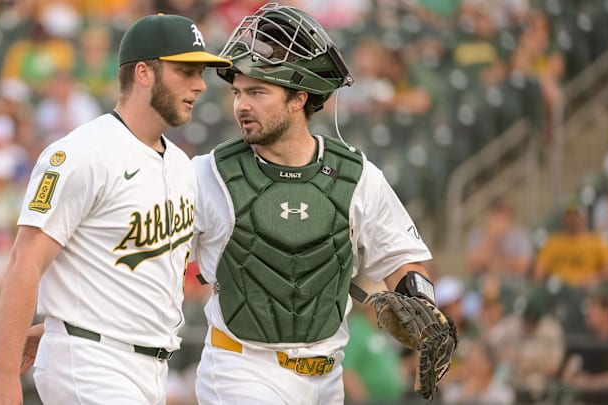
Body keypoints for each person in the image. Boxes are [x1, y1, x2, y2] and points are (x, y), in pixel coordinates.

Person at [190, 3, 449, 403]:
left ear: (299, 97)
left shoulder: (356, 175)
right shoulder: (207, 174)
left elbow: (402, 258)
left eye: (257, 91)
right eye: (238, 92)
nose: (241, 105)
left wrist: (422, 305)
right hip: (240, 369)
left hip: (327, 378)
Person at [0, 13, 231, 405]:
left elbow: (124, 273)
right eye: (186, 71)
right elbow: (24, 261)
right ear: (144, 73)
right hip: (92, 363)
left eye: (201, 73)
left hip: (146, 367)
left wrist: (56, 326)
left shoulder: (181, 165)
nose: (200, 85)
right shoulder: (81, 153)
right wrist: (4, 372)